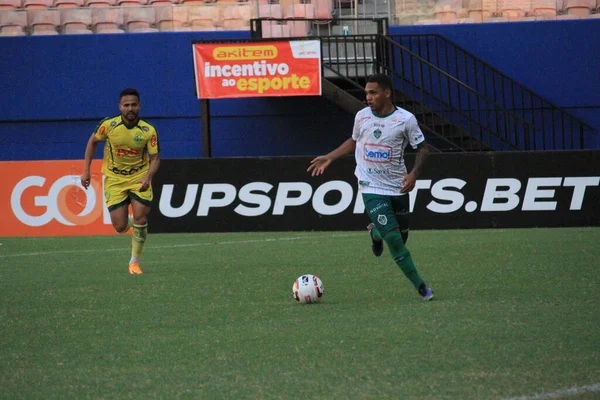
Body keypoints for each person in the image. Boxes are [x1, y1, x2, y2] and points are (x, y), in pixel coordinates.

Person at [307, 74, 434, 301]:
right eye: (366, 93)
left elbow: (423, 148)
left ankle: (375, 233)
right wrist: (330, 157)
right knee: (394, 240)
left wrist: (414, 174)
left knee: (400, 239)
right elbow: (354, 140)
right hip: (370, 186)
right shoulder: (362, 116)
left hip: (398, 187)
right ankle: (421, 287)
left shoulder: (405, 120)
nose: (368, 97)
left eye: (373, 92)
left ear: (387, 93)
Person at [81, 88, 161, 275]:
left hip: (138, 177)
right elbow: (92, 142)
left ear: (139, 106)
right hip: (115, 178)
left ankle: (134, 262)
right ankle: (133, 221)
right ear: (120, 107)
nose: (130, 108)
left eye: (134, 105)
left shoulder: (148, 130)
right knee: (120, 226)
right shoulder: (109, 125)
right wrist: (86, 171)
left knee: (141, 215)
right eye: (126, 105)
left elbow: (155, 158)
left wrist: (148, 177)